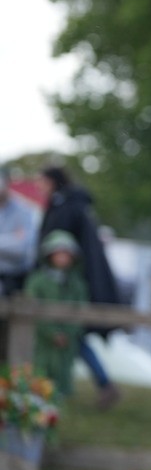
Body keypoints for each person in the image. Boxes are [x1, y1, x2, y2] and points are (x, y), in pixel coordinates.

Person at [36, 165, 122, 409]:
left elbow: (58, 246)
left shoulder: (66, 208)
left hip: (68, 289)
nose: (38, 185)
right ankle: (98, 384)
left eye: (42, 180)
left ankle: (93, 385)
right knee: (73, 340)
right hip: (71, 284)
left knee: (72, 338)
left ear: (52, 182)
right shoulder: (72, 206)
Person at [25, 231, 89, 397]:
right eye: (58, 253)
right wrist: (51, 333)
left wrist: (67, 333)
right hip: (42, 341)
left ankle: (59, 401)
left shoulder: (76, 284)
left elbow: (81, 311)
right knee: (39, 375)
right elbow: (31, 308)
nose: (62, 257)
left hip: (66, 342)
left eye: (66, 253)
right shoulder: (37, 280)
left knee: (62, 374)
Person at [0, 167, 39, 297]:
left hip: (15, 279)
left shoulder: (24, 210)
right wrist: (12, 239)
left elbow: (24, 247)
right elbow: (17, 244)